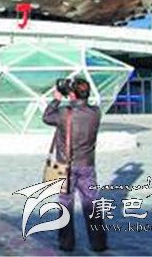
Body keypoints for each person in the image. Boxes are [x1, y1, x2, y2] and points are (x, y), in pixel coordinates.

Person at [42, 78, 108, 253]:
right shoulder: (96, 112)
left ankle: (66, 243)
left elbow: (46, 117)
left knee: (65, 203)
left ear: (71, 95)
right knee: (91, 203)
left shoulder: (64, 113)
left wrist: (57, 99)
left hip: (66, 166)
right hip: (87, 165)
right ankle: (99, 243)